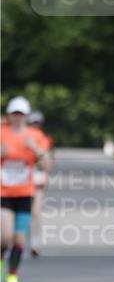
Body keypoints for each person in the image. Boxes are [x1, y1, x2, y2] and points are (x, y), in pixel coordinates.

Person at [1, 97, 47, 282]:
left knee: (19, 240)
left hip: (24, 194)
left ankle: (12, 276)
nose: (18, 118)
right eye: (15, 114)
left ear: (26, 116)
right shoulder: (1, 133)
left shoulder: (35, 136)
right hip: (4, 193)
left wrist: (36, 150)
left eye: (21, 114)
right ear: (10, 115)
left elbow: (47, 166)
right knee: (4, 237)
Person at [26, 110, 55, 256]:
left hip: (37, 178)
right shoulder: (20, 136)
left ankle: (35, 242)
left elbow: (49, 162)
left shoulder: (44, 139)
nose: (35, 126)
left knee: (35, 212)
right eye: (32, 123)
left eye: (37, 123)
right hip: (20, 179)